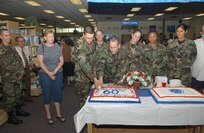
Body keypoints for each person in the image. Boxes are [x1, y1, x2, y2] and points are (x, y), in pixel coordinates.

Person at [0, 29, 30, 125]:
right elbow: (5, 65)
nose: (8, 37)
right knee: (9, 98)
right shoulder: (1, 49)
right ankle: (10, 116)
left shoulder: (11, 48)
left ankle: (18, 110)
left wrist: (21, 70)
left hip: (17, 77)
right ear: (1, 37)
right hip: (9, 79)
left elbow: (19, 60)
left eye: (9, 35)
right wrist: (19, 72)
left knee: (18, 95)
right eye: (5, 35)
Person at [37, 29, 65, 124]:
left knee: (58, 94)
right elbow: (40, 62)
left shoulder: (57, 46)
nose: (51, 38)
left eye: (52, 36)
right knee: (47, 95)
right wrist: (49, 73)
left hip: (58, 73)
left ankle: (58, 114)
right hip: (45, 74)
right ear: (45, 37)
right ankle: (48, 115)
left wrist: (55, 71)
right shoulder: (41, 47)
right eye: (49, 36)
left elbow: (61, 61)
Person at [72, 25, 99, 108]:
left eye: (92, 37)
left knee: (91, 100)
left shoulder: (93, 43)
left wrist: (95, 74)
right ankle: (83, 120)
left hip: (91, 76)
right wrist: (94, 78)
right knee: (83, 101)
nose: (90, 40)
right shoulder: (79, 44)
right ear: (83, 35)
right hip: (81, 78)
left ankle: (90, 119)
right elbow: (84, 64)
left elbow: (94, 59)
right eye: (88, 38)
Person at [14, 36, 33, 102]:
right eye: (20, 41)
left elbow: (28, 57)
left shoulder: (26, 48)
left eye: (23, 41)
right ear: (16, 42)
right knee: (20, 85)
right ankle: (20, 99)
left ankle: (27, 97)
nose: (22, 42)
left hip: (26, 68)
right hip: (19, 69)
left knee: (27, 83)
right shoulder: (14, 49)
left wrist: (30, 62)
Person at [191, 25, 204, 92]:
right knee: (195, 95)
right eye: (203, 31)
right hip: (196, 75)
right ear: (201, 33)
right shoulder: (195, 43)